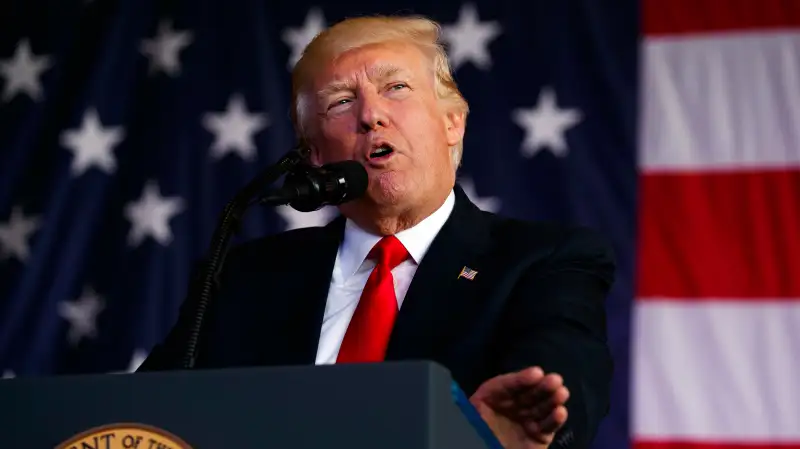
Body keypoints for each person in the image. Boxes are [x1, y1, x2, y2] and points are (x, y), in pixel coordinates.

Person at [138, 14, 615, 449]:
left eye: (397, 88)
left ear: (452, 122)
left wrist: (505, 431)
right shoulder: (247, 277)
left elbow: (564, 375)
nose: (371, 115)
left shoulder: (542, 260)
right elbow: (142, 417)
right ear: (316, 156)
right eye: (341, 102)